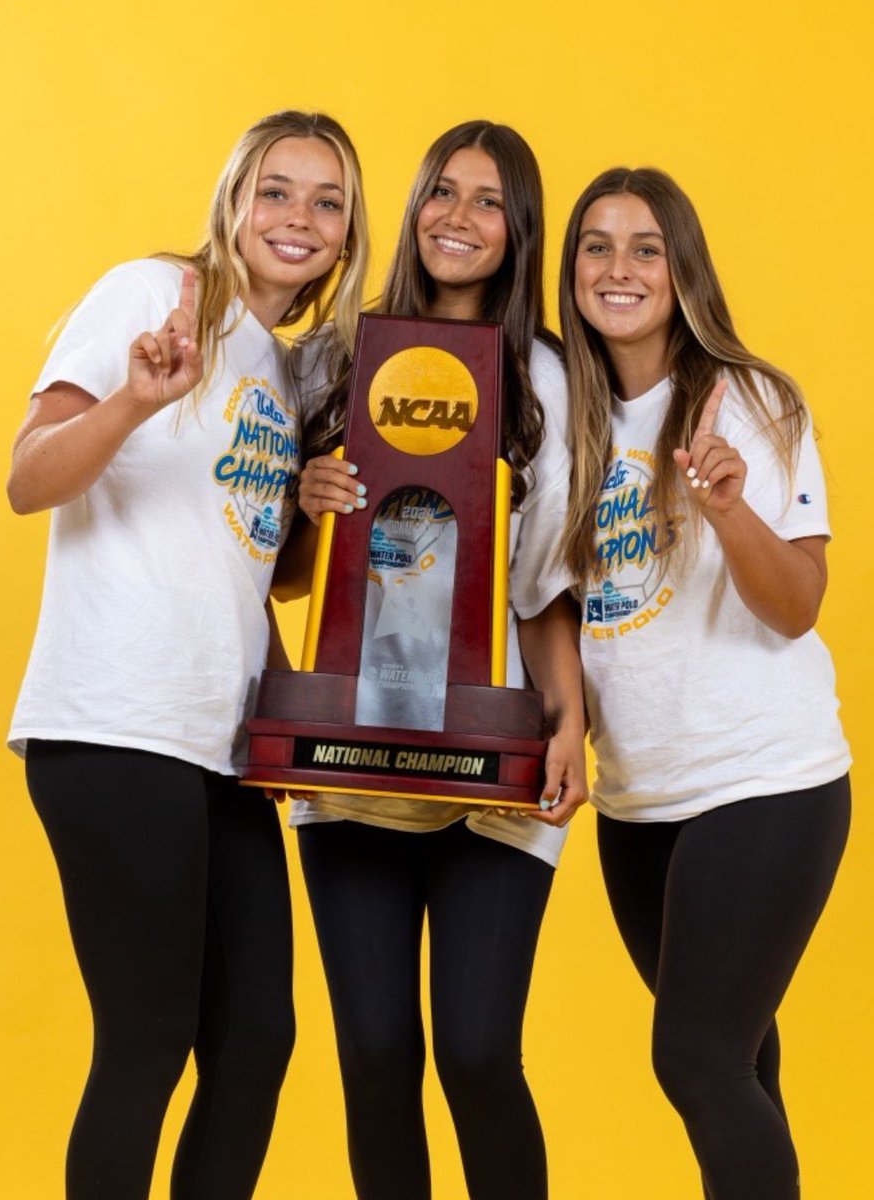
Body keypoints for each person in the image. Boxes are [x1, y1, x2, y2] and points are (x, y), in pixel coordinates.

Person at [6, 110, 367, 1200]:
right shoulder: (150, 295)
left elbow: (261, 564)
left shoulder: (288, 369)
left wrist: (304, 507)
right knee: (148, 1041)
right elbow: (29, 479)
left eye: (326, 201)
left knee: (257, 1043)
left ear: (346, 235)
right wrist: (131, 400)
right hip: (116, 721)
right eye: (276, 190)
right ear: (233, 199)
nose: (296, 218)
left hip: (225, 743)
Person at [288, 120, 584, 1200]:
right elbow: (282, 575)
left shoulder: (547, 377)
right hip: (348, 752)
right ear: (412, 207)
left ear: (520, 231)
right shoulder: (336, 353)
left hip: (491, 758)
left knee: (472, 1050)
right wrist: (308, 509)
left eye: (489, 201)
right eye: (442, 192)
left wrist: (568, 728)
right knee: (373, 1057)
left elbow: (544, 583)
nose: (458, 218)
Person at [558, 166, 851, 1200]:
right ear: (571, 270)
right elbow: (548, 604)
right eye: (597, 245)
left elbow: (797, 604)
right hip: (640, 800)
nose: (620, 268)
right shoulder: (567, 423)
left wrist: (729, 507)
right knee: (739, 1060)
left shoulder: (752, 400)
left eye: (646, 247)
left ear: (683, 270)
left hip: (763, 782)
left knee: (695, 1057)